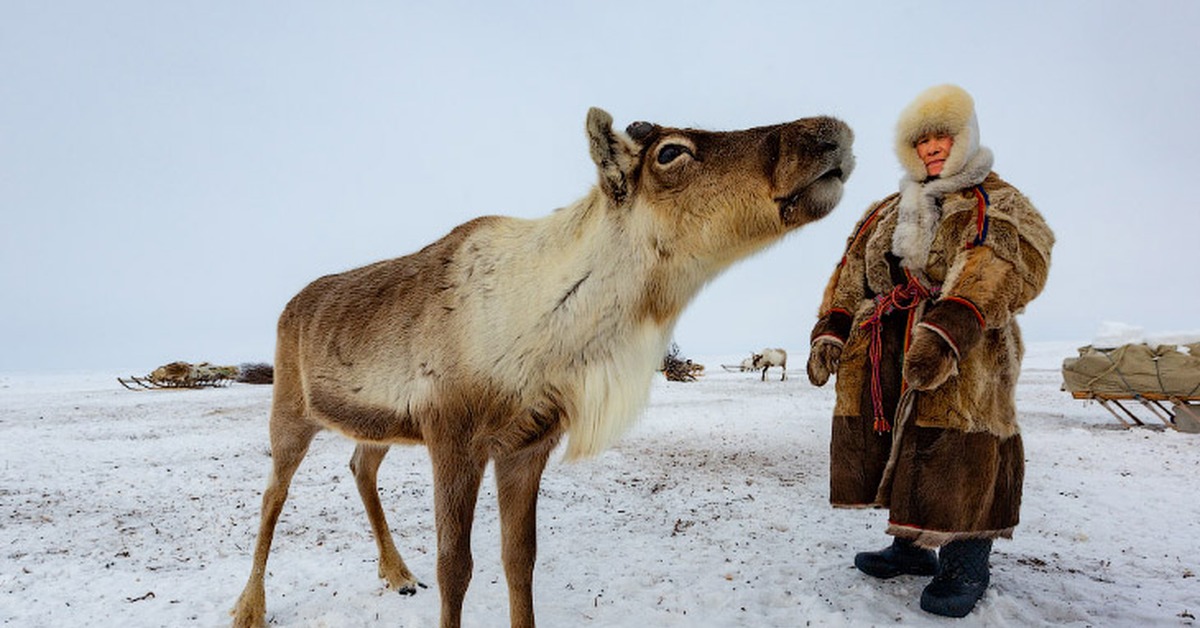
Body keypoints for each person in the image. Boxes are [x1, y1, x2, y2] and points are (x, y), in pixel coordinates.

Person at [805, 84, 1054, 618]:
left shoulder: (997, 200)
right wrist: (833, 327)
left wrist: (948, 330)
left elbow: (1005, 265)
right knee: (904, 441)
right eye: (921, 141)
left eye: (943, 136)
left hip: (971, 354)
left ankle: (968, 559)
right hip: (890, 344)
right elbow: (851, 271)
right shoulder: (887, 210)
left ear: (965, 138)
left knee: (962, 446)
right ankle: (911, 546)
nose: (932, 148)